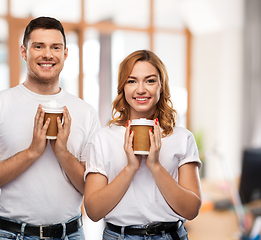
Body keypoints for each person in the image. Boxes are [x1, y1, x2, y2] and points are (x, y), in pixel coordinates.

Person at [0, 16, 100, 240]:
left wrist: (62, 152)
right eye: (39, 46)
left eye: (55, 47)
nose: (48, 54)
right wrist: (32, 152)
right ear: (24, 52)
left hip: (71, 234)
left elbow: (91, 189)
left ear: (65, 54)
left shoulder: (86, 112)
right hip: (13, 234)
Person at [83, 50, 202, 240]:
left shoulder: (182, 137)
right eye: (131, 81)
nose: (140, 89)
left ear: (161, 86)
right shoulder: (103, 138)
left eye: (150, 80)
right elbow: (94, 211)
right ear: (122, 87)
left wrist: (155, 165)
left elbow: (191, 210)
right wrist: (131, 167)